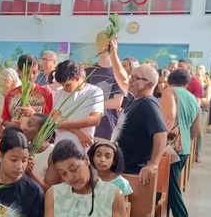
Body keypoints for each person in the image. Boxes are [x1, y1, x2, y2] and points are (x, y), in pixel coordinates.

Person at [107, 40, 167, 183]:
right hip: (121, 168)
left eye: (136, 78)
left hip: (133, 172)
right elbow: (121, 78)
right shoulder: (134, 99)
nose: (131, 80)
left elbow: (161, 133)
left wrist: (154, 164)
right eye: (132, 76)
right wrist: (113, 54)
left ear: (149, 84)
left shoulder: (148, 104)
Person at [160, 69, 202, 217]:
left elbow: (167, 120)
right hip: (184, 147)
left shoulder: (168, 92)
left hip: (171, 148)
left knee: (171, 188)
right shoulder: (192, 98)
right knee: (167, 185)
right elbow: (197, 129)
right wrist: (185, 139)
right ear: (186, 83)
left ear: (169, 80)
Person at [51, 59, 104, 150]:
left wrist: (64, 124)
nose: (64, 88)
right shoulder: (60, 92)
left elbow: (95, 119)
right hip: (59, 146)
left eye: (67, 85)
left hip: (82, 148)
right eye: (62, 85)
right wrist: (78, 132)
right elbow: (56, 120)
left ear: (77, 78)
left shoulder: (95, 91)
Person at [85, 37, 125, 141]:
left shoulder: (118, 73)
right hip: (88, 126)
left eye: (106, 44)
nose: (103, 47)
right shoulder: (88, 71)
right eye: (99, 42)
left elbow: (117, 102)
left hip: (108, 127)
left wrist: (90, 104)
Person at [1, 54, 54, 129]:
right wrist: (12, 125)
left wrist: (33, 114)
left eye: (34, 72)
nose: (31, 76)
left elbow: (49, 122)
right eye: (27, 72)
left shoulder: (46, 94)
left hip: (36, 136)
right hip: (16, 135)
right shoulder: (10, 95)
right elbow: (4, 121)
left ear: (39, 72)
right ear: (19, 72)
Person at [23, 113, 54, 191]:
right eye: (26, 124)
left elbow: (49, 190)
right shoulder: (22, 148)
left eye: (30, 125)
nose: (24, 128)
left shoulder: (52, 153)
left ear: (43, 131)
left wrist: (31, 172)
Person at [194, 65, 211, 161]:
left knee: (199, 131)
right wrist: (198, 101)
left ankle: (198, 153)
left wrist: (196, 101)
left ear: (203, 76)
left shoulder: (207, 86)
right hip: (192, 109)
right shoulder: (192, 85)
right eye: (196, 74)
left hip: (202, 110)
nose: (197, 76)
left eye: (199, 75)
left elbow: (206, 100)